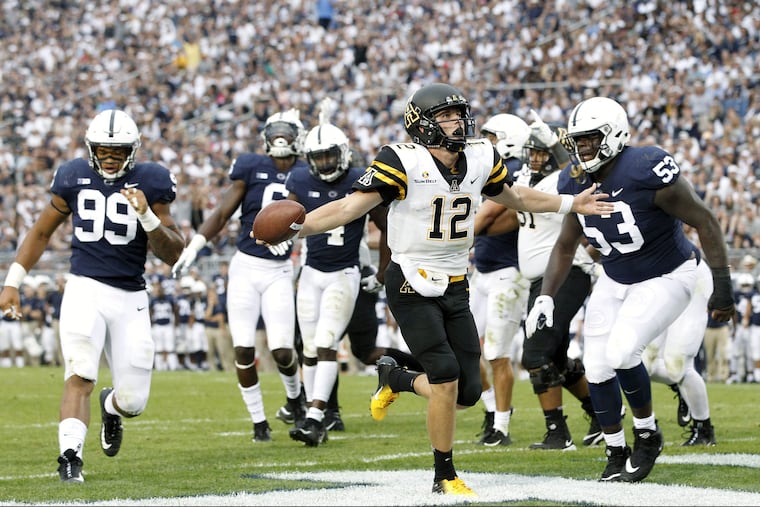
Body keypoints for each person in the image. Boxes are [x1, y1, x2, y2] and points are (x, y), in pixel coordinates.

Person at [256, 83, 612, 496]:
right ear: (421, 125)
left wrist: (571, 204)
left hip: (456, 283)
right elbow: (348, 208)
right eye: (445, 116)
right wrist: (299, 227)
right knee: (443, 379)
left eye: (459, 114)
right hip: (410, 279)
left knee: (468, 393)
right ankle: (444, 476)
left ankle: (396, 377)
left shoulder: (480, 156)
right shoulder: (400, 161)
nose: (456, 122)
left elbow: (516, 197)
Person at [524, 96, 735, 483]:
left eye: (589, 139)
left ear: (614, 135)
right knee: (597, 366)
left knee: (623, 353)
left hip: (669, 274)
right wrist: (545, 296)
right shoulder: (575, 178)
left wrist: (723, 286)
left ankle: (647, 434)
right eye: (577, 141)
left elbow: (705, 220)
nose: (581, 148)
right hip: (617, 277)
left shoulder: (644, 167)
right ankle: (615, 449)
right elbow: (565, 244)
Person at [0, 109, 184, 483]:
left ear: (132, 151)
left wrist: (147, 215)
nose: (110, 157)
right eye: (103, 150)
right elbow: (40, 233)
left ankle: (110, 406)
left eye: (118, 151)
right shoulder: (73, 175)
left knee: (133, 402)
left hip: (131, 297)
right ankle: (70, 456)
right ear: (91, 148)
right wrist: (13, 281)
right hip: (84, 288)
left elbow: (173, 252)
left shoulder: (152, 180)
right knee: (80, 372)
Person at [172, 109, 309, 442]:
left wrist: (293, 242)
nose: (280, 140)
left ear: (298, 138)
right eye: (275, 133)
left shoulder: (306, 173)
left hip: (279, 269)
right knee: (243, 348)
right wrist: (196, 244)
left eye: (286, 133)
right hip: (246, 265)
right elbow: (222, 211)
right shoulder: (250, 166)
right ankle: (259, 421)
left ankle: (295, 398)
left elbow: (318, 219)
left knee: (281, 350)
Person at [477, 115, 603, 451]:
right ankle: (603, 417)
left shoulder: (562, 179)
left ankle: (557, 432)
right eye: (531, 152)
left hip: (566, 274)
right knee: (556, 358)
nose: (535, 158)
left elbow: (578, 175)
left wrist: (555, 147)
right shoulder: (521, 178)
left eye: (542, 153)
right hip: (538, 279)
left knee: (535, 354)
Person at [469, 113, 531, 447]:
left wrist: (462, 233)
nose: (484, 143)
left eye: (491, 137)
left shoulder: (517, 167)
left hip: (509, 272)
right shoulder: (486, 168)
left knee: (496, 352)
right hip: (484, 270)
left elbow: (491, 213)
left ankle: (502, 427)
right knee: (463, 346)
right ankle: (492, 411)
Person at [642, 258, 717, 446]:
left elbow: (709, 231)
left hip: (689, 274)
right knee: (640, 363)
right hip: (656, 282)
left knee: (678, 363)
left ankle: (704, 429)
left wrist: (723, 283)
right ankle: (681, 388)